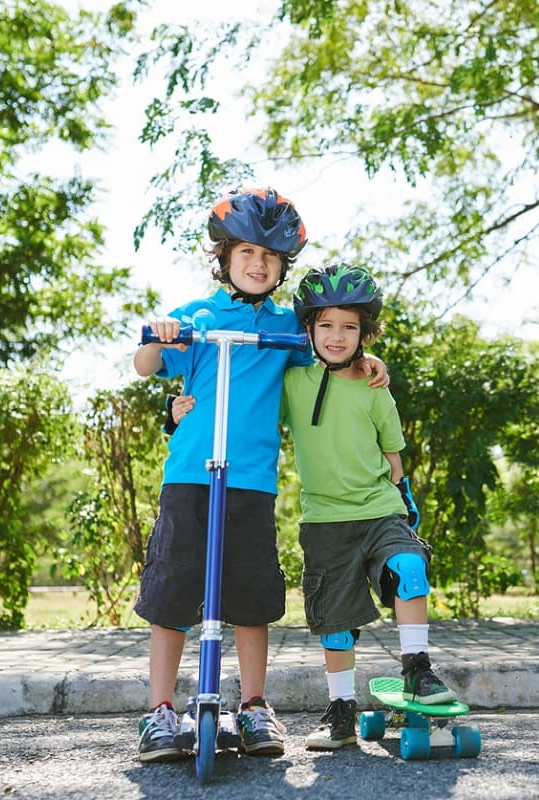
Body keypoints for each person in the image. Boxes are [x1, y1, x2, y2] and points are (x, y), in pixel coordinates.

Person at [132, 188, 388, 763]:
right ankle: (159, 711)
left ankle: (251, 705)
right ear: (223, 257)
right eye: (247, 251)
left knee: (250, 598)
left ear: (282, 268)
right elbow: (146, 363)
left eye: (270, 257)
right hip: (191, 479)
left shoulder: (286, 329)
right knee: (173, 593)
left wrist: (366, 360)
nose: (258, 264)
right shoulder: (196, 316)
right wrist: (156, 334)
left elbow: (330, 352)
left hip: (251, 484)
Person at [282, 263, 456, 751]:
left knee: (408, 566)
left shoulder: (376, 387)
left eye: (350, 326)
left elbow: (394, 462)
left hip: (379, 510)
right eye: (327, 325)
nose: (337, 336)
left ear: (365, 332)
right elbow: (254, 411)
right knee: (335, 625)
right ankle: (341, 710)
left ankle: (417, 670)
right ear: (309, 328)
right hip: (324, 521)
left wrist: (401, 501)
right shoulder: (292, 381)